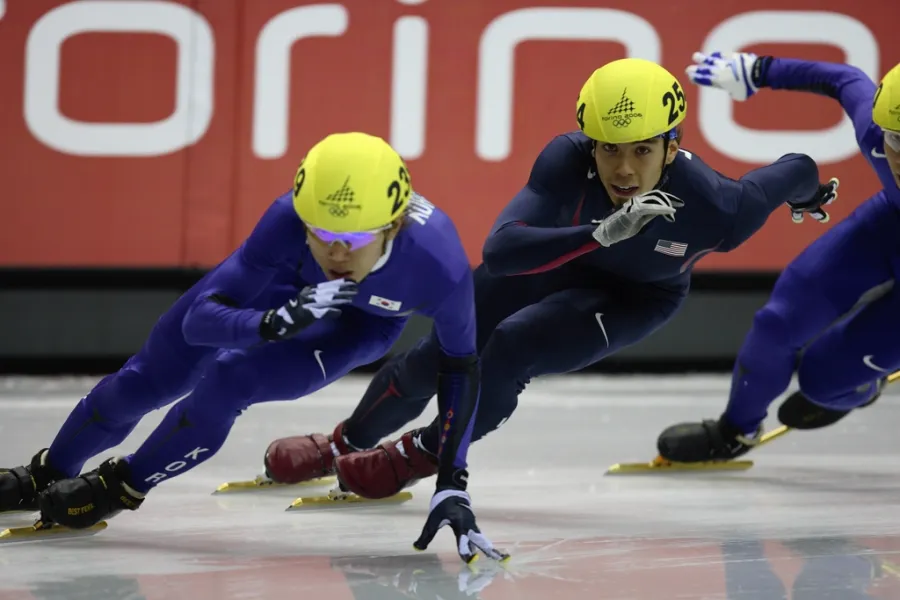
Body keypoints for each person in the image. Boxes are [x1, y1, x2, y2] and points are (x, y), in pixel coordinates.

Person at [260, 58, 838, 499]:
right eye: (609, 150)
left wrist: (811, 196)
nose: (625, 169)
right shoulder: (567, 162)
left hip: (637, 295)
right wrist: (601, 233)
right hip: (554, 263)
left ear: (673, 144)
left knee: (512, 346)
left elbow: (795, 171)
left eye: (642, 150)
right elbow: (502, 251)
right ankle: (343, 443)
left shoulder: (720, 207)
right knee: (436, 355)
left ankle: (421, 453)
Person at [0, 132, 506, 564]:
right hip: (282, 294)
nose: (335, 251)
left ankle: (120, 487)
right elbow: (199, 323)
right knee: (147, 379)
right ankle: (48, 470)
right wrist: (268, 323)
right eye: (322, 232)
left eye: (353, 240)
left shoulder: (440, 265)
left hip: (355, 325)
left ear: (393, 226)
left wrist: (452, 481)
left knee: (229, 380)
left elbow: (460, 368)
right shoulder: (286, 219)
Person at [656, 55, 900, 462]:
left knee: (822, 381)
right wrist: (758, 70)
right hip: (888, 227)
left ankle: (857, 387)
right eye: (898, 139)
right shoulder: (876, 134)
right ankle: (735, 429)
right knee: (779, 322)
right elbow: (843, 78)